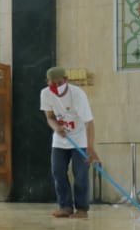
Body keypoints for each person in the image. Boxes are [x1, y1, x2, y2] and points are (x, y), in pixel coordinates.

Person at [40, 66, 100, 219]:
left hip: (80, 139)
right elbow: (50, 117)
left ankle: (82, 209)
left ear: (66, 80)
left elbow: (89, 122)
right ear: (47, 82)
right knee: (58, 172)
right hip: (60, 140)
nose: (56, 87)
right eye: (52, 84)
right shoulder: (45, 94)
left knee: (80, 175)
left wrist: (91, 148)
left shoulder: (78, 95)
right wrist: (56, 128)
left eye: (59, 83)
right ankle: (65, 207)